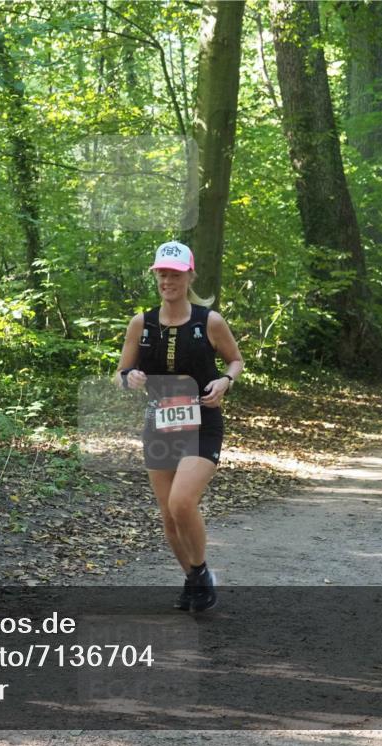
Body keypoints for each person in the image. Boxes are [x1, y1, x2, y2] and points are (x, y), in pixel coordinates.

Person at [115, 241, 244, 612]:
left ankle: (201, 572)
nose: (167, 281)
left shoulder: (210, 321)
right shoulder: (142, 323)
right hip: (160, 424)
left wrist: (225, 381)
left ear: (189, 276)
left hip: (202, 422)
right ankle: (193, 581)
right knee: (168, 514)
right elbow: (120, 373)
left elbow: (235, 360)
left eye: (174, 274)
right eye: (162, 274)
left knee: (182, 501)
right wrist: (131, 378)